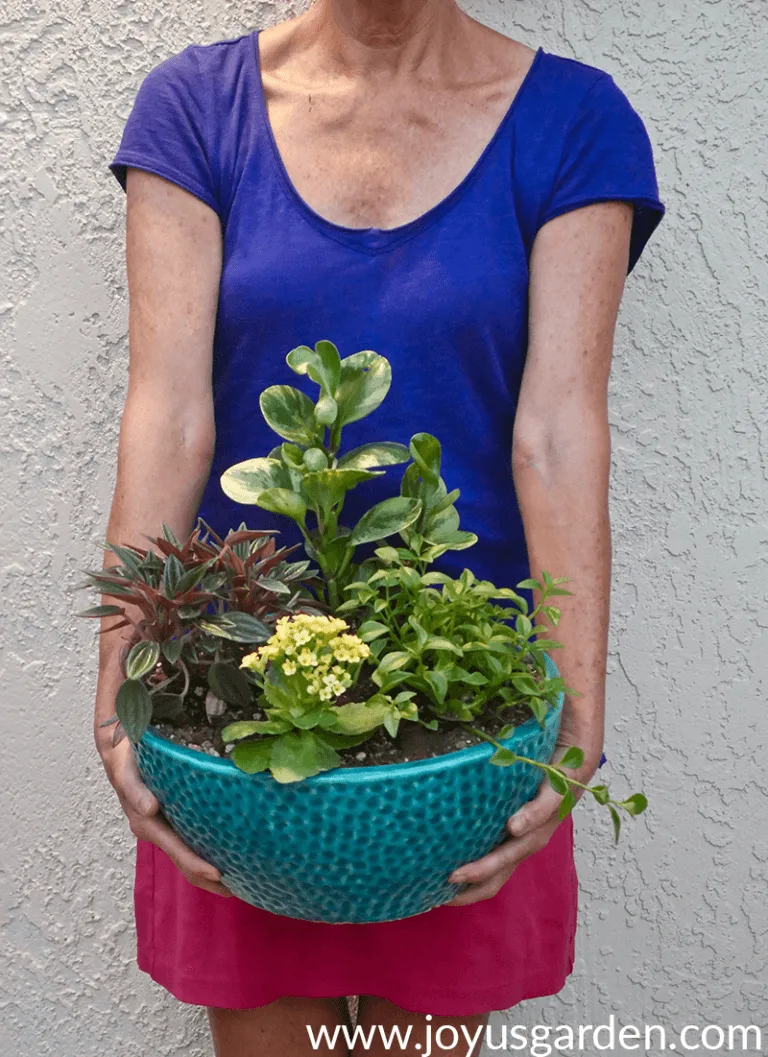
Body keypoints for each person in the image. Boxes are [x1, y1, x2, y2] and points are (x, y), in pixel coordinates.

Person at [96, 1, 665, 1053]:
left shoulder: (575, 121)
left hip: (463, 717)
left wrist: (573, 716)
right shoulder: (199, 110)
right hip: (238, 719)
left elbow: (559, 434)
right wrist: (117, 687)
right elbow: (169, 414)